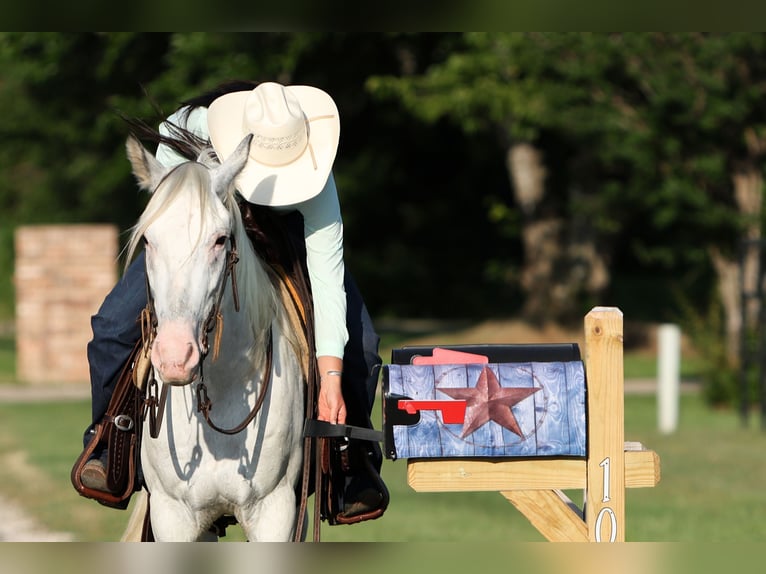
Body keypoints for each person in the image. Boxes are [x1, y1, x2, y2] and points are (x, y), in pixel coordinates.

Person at [79, 81, 384, 516]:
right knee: (111, 327)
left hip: (283, 235)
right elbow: (168, 218)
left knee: (363, 343)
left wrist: (331, 377)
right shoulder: (184, 131)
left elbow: (327, 274)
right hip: (197, 233)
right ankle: (108, 441)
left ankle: (350, 462)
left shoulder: (317, 175)